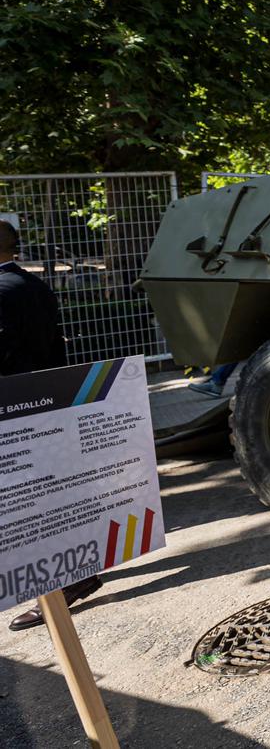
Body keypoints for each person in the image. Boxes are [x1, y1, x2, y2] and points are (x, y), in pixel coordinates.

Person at [2, 219, 100, 631]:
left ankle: (59, 590)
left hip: (16, 415)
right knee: (49, 501)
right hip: (45, 404)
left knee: (30, 510)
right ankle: (72, 577)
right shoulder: (31, 285)